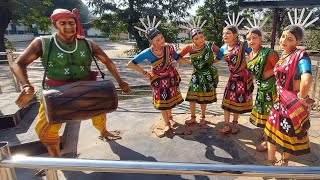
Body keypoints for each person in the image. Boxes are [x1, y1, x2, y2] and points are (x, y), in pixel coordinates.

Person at [11, 8, 131, 170]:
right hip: (54, 94)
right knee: (45, 130)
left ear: (76, 24)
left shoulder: (88, 44)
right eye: (63, 23)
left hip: (87, 90)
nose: (68, 26)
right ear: (55, 24)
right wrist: (26, 85)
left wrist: (120, 81)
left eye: (71, 23)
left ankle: (103, 132)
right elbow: (18, 64)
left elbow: (107, 61)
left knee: (99, 114)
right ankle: (56, 160)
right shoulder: (43, 43)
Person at [128, 16, 190, 134]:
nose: (161, 41)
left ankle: (170, 118)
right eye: (157, 40)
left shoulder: (169, 48)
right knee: (162, 103)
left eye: (161, 38)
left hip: (170, 78)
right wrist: (145, 73)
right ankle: (166, 123)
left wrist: (190, 62)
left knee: (170, 100)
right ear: (151, 41)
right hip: (158, 80)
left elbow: (178, 59)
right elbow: (131, 64)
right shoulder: (147, 52)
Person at [264, 23, 314, 166]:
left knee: (280, 134)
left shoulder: (301, 56)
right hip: (280, 102)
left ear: (298, 42)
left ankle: (273, 163)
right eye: (283, 36)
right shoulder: (286, 55)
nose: (284, 40)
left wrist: (302, 97)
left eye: (290, 39)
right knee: (281, 134)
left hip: (291, 105)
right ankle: (280, 162)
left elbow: (307, 79)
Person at [179, 18, 220, 126]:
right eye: (197, 38)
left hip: (208, 75)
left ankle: (202, 116)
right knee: (192, 96)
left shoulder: (210, 45)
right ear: (193, 40)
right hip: (196, 75)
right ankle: (193, 117)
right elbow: (177, 57)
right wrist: (188, 63)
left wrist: (215, 60)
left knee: (204, 97)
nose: (200, 40)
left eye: (201, 37)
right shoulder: (189, 47)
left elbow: (221, 52)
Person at [214, 22, 253, 135]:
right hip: (232, 78)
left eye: (228, 33)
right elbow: (216, 60)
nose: (224, 35)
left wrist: (250, 66)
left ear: (235, 35)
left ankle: (235, 124)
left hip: (242, 78)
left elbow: (252, 55)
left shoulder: (242, 45)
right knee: (227, 102)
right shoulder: (223, 48)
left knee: (238, 102)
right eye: (223, 34)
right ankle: (227, 125)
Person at [246, 26, 279, 152]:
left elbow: (280, 69)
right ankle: (266, 134)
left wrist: (267, 74)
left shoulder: (269, 53)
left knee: (271, 116)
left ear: (260, 39)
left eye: (254, 38)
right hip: (261, 89)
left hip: (271, 89)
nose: (251, 41)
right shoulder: (250, 54)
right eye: (249, 39)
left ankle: (268, 141)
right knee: (264, 115)